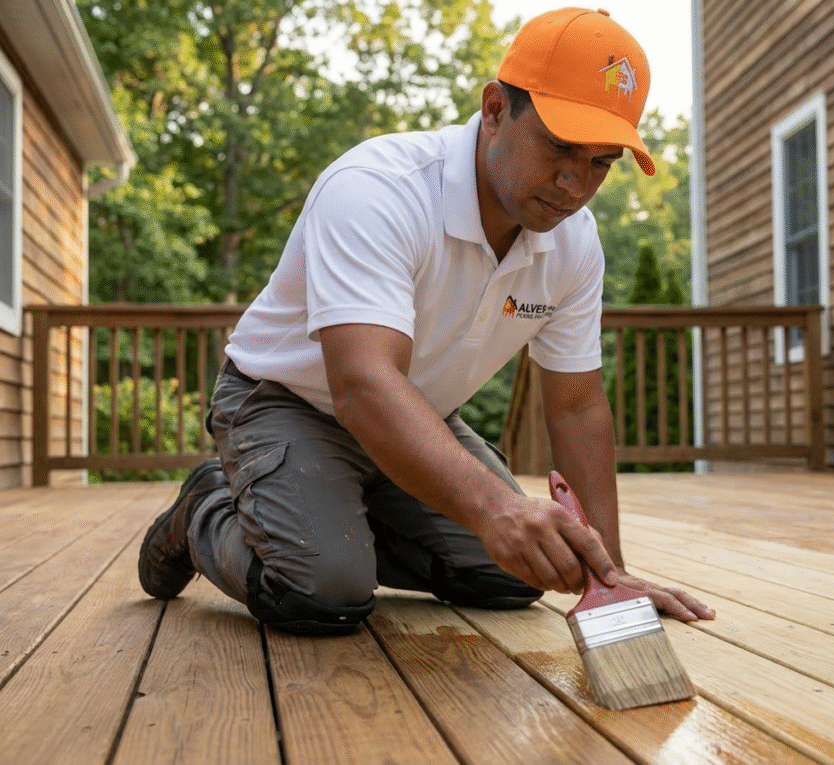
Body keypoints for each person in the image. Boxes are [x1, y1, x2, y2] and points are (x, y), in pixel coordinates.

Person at [138, 6, 716, 635]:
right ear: (495, 109)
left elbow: (576, 405)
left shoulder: (574, 242)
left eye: (602, 162)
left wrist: (610, 571)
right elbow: (362, 385)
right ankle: (207, 509)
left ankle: (328, 521)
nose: (576, 183)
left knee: (523, 572)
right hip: (286, 401)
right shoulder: (377, 189)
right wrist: (495, 509)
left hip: (417, 416)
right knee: (323, 591)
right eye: (559, 146)